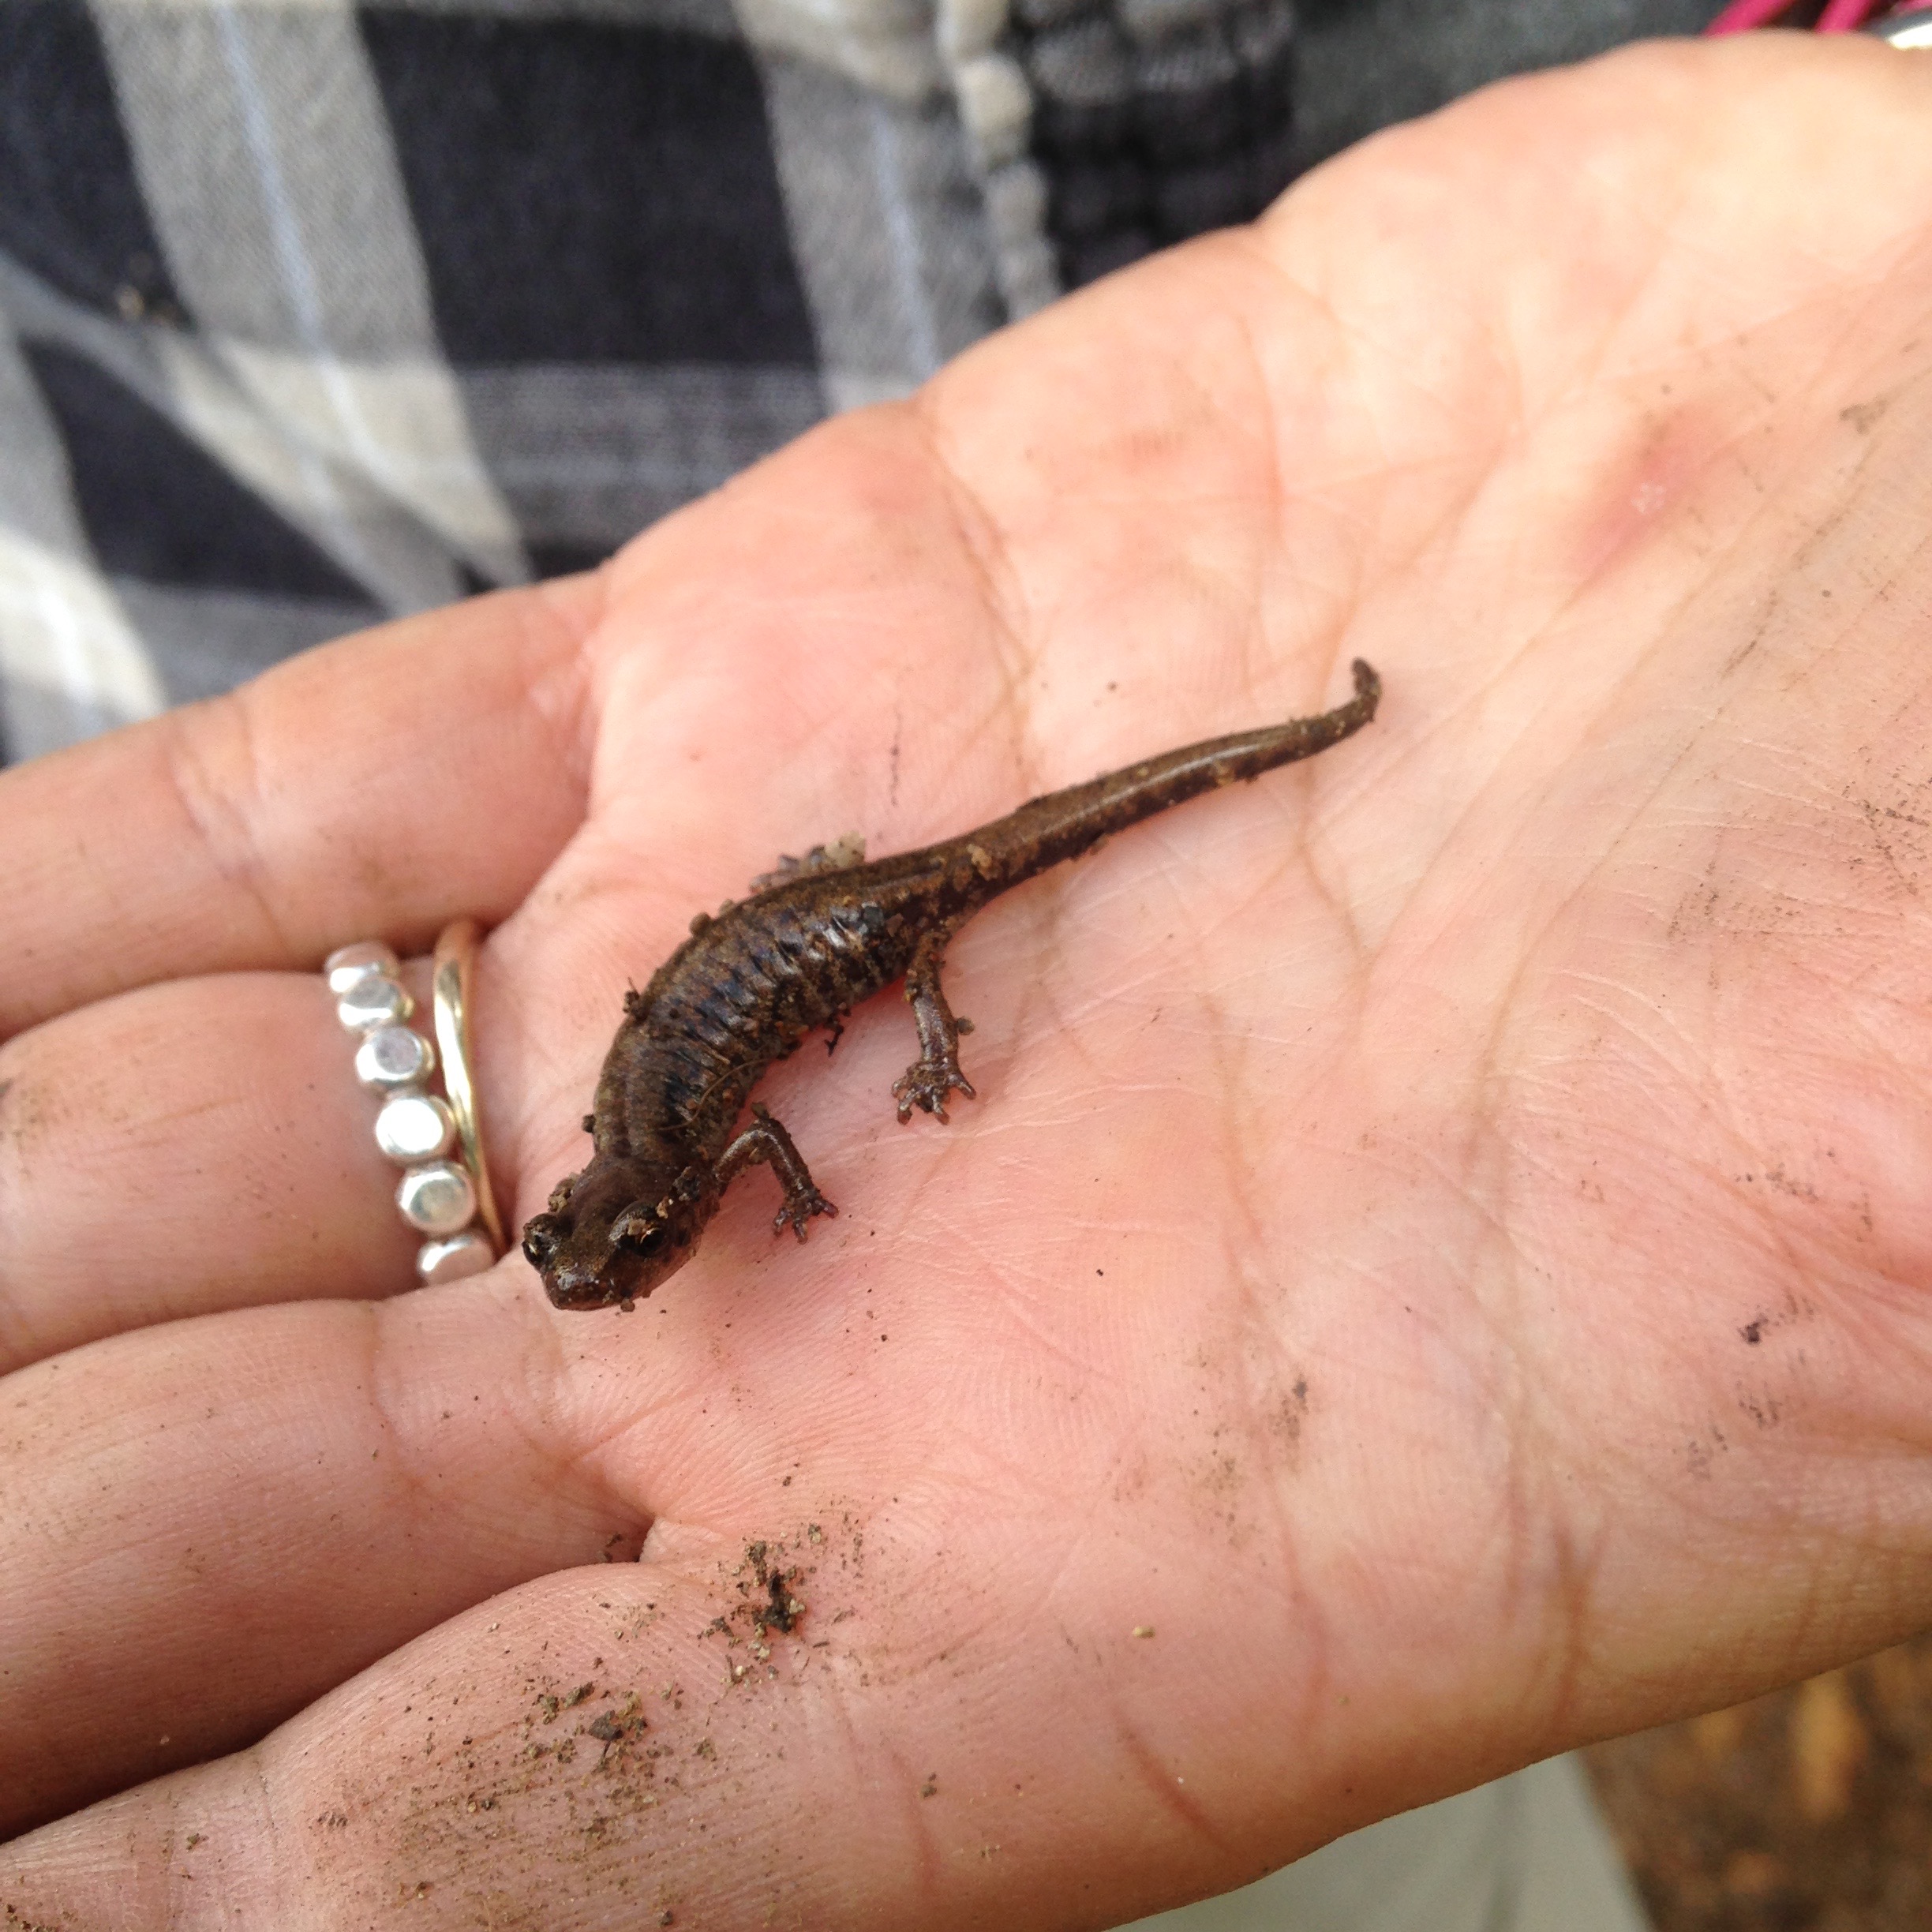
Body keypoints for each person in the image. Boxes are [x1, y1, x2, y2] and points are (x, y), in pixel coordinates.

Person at [4, 22, 1932, 1931]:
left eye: (606, 1253)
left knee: (949, 929)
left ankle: (1285, 744)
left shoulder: (668, 1150)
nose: (604, 1269)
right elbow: (708, 1100)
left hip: (872, 910)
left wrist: (902, 1067)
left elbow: (736, 1120)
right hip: (290, 591)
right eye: (594, 1257)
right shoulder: (647, 1151)